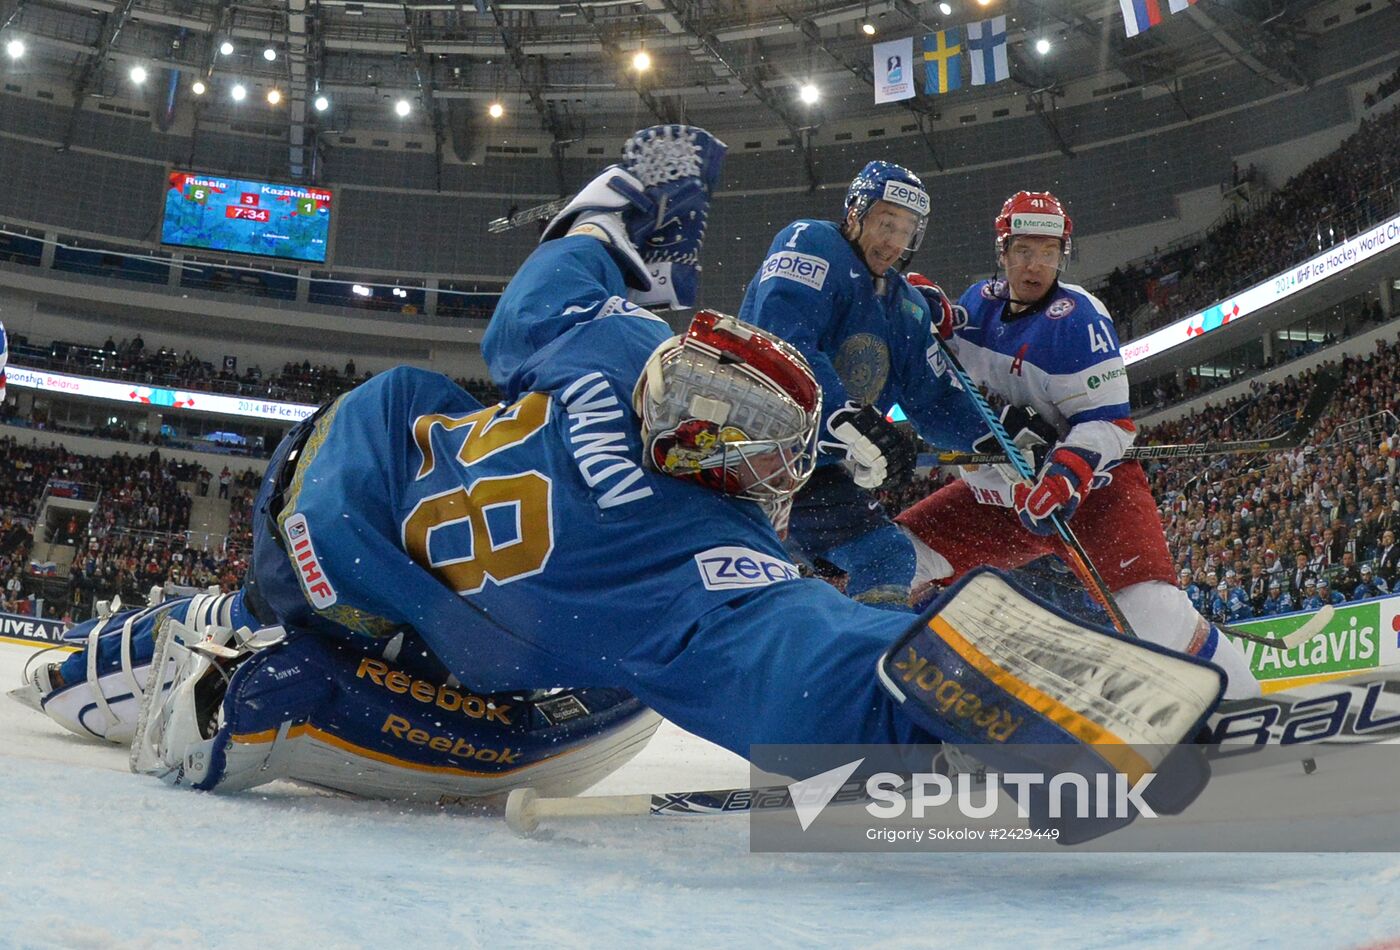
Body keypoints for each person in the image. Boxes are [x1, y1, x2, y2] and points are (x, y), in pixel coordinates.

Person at [14, 128, 1222, 843]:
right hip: (380, 609)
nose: (775, 468)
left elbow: (561, 272)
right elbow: (816, 676)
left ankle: (109, 660)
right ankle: (244, 693)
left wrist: (648, 195)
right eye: (771, 450)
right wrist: (1027, 687)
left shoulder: (613, 347)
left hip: (347, 455)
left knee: (442, 553)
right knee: (573, 718)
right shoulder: (694, 561)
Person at [893, 191, 1261, 699]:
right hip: (1003, 498)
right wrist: (933, 314)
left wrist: (1065, 475)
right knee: (895, 561)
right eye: (1023, 250)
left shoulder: (1080, 320)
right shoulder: (980, 300)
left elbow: (1111, 425)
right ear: (1003, 251)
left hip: (1092, 494)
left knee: (1151, 612)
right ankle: (954, 706)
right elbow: (952, 341)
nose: (1035, 265)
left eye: (1048, 252)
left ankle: (1246, 706)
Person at [739, 161, 982, 607]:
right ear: (855, 213)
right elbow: (781, 340)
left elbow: (931, 400)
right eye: (885, 223)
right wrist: (842, 416)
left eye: (905, 231)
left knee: (888, 556)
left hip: (811, 471)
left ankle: (865, 662)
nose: (893, 242)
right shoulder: (811, 242)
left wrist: (991, 433)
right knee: (738, 577)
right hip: (747, 451)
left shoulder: (907, 305)